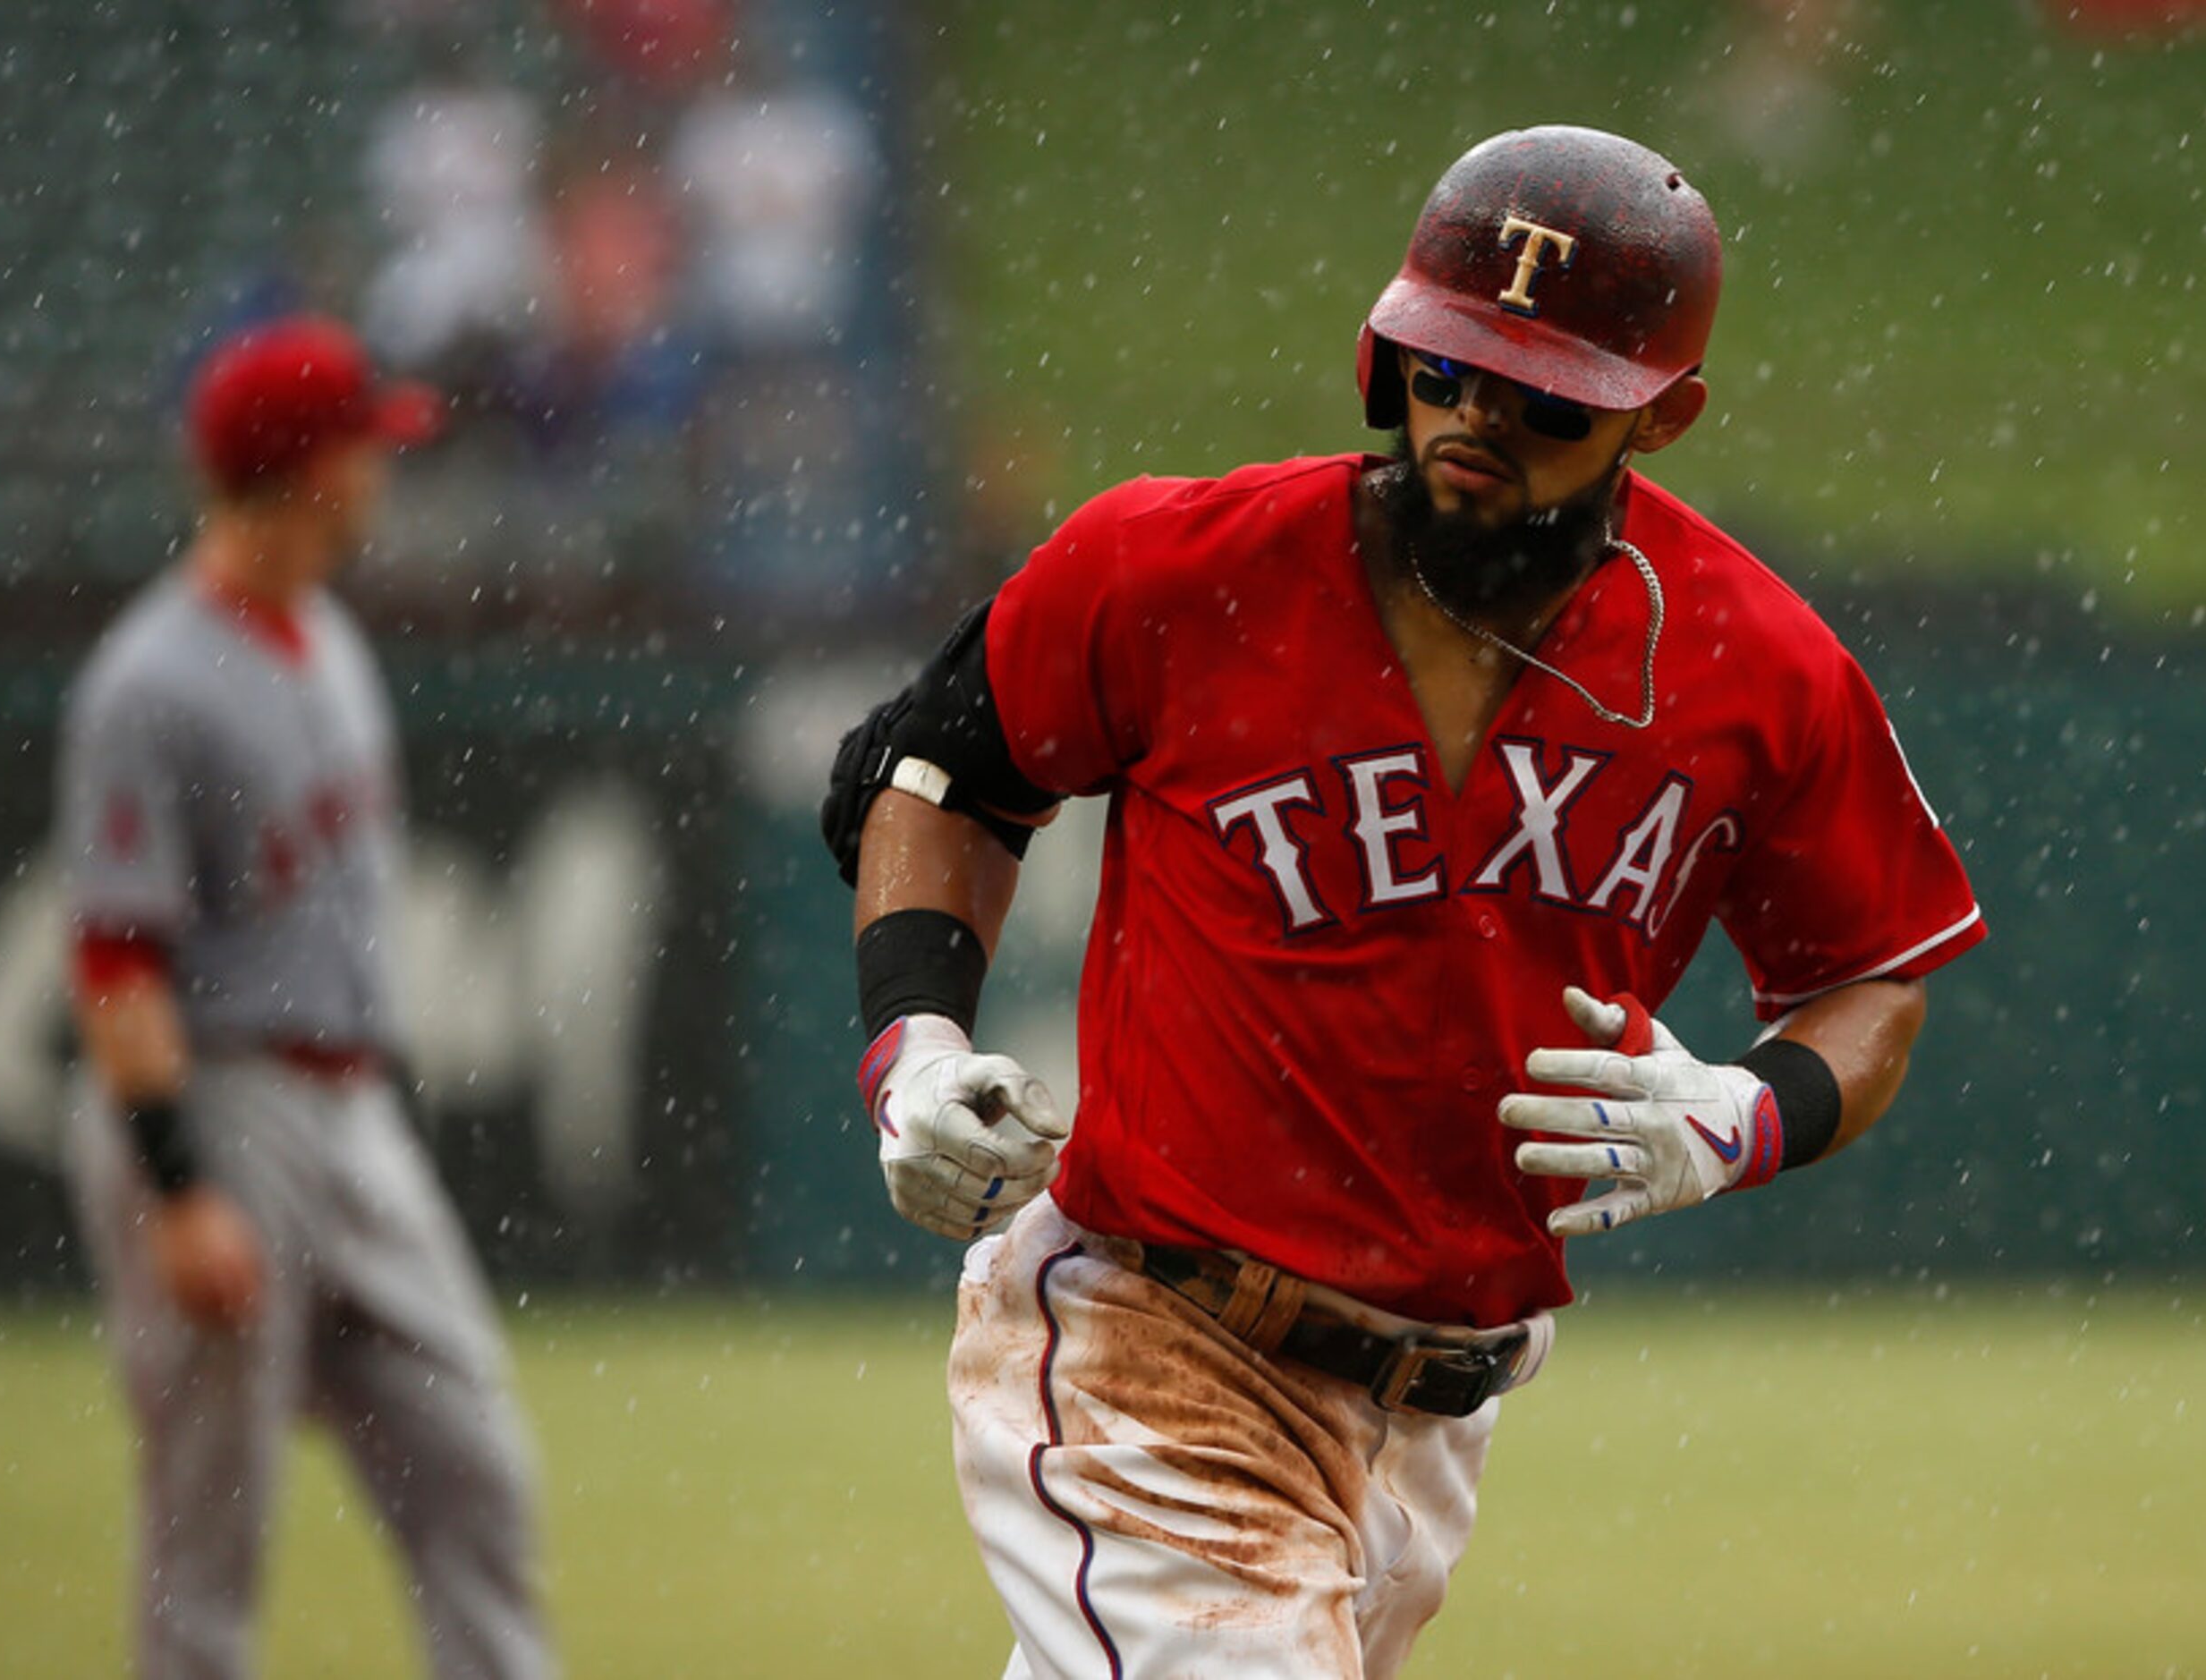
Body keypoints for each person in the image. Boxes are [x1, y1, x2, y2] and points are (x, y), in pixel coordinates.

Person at [821, 125, 1987, 1676]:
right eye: (1445, 366)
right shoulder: (1180, 564)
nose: (1478, 418)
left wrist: (1743, 1115)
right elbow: (941, 778)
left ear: (1665, 418)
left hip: (1441, 1411)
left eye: (1548, 395)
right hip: (1153, 1347)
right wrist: (911, 1045)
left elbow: (1875, 974)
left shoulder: (1755, 665)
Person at [55, 316, 556, 1680]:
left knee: (476, 1471)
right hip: (216, 1099)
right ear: (308, 469)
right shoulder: (148, 683)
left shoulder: (326, 635)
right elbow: (112, 959)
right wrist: (179, 1182)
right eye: (362, 443)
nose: (383, 467)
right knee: (209, 1542)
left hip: (349, 1112)